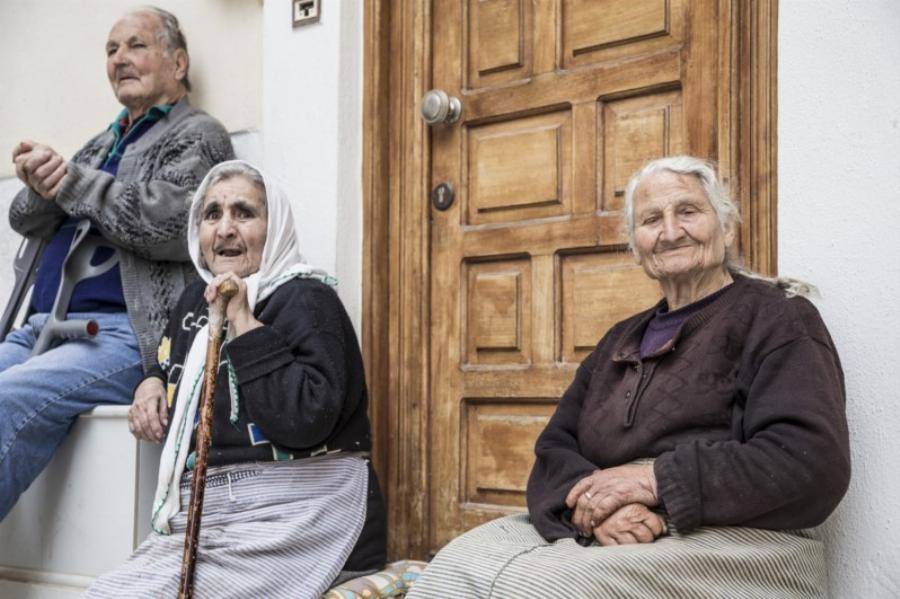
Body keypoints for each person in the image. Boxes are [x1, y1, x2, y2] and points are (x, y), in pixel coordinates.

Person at [407, 156, 851, 598]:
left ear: (727, 227)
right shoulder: (619, 339)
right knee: (452, 568)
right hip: (612, 521)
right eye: (652, 220)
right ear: (636, 247)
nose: (671, 232)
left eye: (689, 212)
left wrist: (651, 483)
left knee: (543, 590)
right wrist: (599, 512)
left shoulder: (777, 318)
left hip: (733, 531)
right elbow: (554, 449)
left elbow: (808, 461)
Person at [85, 160, 386, 598]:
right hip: (209, 520)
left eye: (243, 213)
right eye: (212, 215)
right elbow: (173, 362)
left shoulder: (308, 300)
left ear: (275, 225)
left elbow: (306, 420)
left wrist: (243, 320)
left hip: (301, 515)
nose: (225, 229)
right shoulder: (194, 301)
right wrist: (149, 382)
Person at [1, 6, 233, 520]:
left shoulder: (198, 134)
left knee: (7, 397)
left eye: (135, 45)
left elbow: (172, 224)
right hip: (41, 328)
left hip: (122, 335)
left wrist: (70, 182)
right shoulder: (101, 141)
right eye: (111, 50)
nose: (120, 59)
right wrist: (39, 181)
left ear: (177, 62)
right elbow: (25, 219)